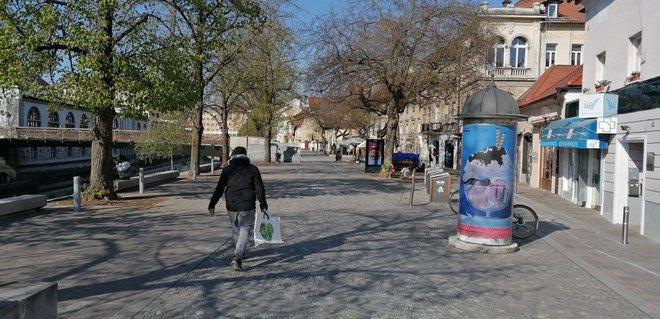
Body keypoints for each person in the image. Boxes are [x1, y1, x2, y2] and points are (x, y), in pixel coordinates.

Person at [208, 146, 268, 271]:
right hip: (247, 204)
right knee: (245, 229)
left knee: (236, 229)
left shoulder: (227, 170)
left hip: (231, 204)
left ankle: (238, 252)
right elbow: (259, 188)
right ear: (245, 156)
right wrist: (263, 204)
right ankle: (238, 255)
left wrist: (212, 204)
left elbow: (219, 188)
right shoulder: (253, 169)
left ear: (233, 155)